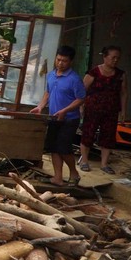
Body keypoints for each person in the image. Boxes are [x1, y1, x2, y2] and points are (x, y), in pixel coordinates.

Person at [30, 45, 86, 186]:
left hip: (69, 119)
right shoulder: (51, 75)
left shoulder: (74, 79)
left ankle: (74, 173)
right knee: (54, 147)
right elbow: (47, 93)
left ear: (70, 62)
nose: (60, 63)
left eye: (64, 61)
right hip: (53, 117)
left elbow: (80, 99)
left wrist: (65, 111)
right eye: (58, 60)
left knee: (64, 148)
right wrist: (40, 106)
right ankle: (58, 177)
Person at [79, 46, 127, 174]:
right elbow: (82, 90)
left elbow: (123, 93)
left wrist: (123, 111)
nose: (115, 60)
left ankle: (104, 164)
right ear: (105, 57)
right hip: (93, 109)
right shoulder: (94, 72)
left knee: (108, 136)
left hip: (111, 110)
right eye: (113, 57)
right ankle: (84, 162)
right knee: (88, 134)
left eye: (118, 58)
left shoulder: (120, 75)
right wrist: (81, 106)